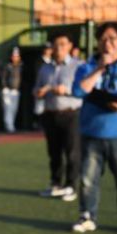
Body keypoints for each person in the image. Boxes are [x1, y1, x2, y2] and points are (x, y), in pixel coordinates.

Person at [71, 21, 117, 234]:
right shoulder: (87, 66)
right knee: (87, 179)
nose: (107, 44)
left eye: (112, 39)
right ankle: (87, 215)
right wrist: (100, 68)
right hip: (91, 133)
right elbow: (78, 91)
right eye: (103, 39)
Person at [34, 33, 82, 201]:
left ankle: (71, 186)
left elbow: (83, 89)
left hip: (71, 113)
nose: (59, 48)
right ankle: (55, 184)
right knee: (54, 153)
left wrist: (66, 90)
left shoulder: (78, 66)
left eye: (62, 44)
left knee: (72, 152)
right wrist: (39, 92)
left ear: (70, 46)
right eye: (55, 45)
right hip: (50, 113)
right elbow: (36, 89)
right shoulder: (45, 68)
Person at [1, 46, 22, 133]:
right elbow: (3, 78)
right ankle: (9, 126)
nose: (15, 58)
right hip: (8, 90)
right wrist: (4, 87)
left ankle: (11, 125)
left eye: (17, 56)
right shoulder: (7, 66)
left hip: (16, 91)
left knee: (14, 109)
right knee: (8, 109)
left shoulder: (21, 66)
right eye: (14, 56)